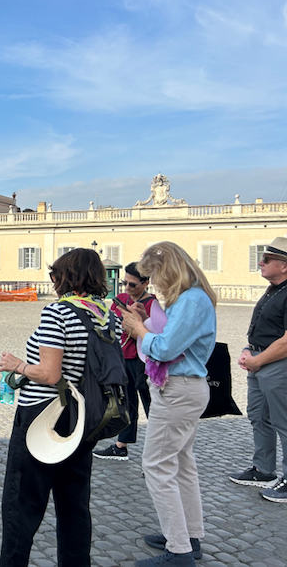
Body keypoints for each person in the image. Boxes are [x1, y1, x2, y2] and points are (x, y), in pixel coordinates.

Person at [0, 248, 121, 567]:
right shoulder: (108, 316)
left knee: (21, 503)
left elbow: (50, 374)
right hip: (85, 417)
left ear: (67, 276)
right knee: (74, 504)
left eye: (55, 275)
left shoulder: (59, 312)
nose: (52, 281)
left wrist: (18, 365)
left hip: (43, 416)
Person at [121, 242, 216, 567]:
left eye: (154, 276)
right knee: (182, 464)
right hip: (184, 388)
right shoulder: (191, 298)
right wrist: (147, 320)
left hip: (178, 389)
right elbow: (170, 337)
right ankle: (188, 535)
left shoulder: (190, 300)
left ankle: (178, 551)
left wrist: (138, 329)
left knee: (158, 465)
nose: (153, 284)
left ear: (168, 271)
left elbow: (163, 348)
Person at [230, 236, 287, 502]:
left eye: (267, 259)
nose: (260, 263)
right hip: (259, 361)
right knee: (258, 416)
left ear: (284, 265)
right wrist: (248, 349)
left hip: (276, 365)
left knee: (283, 422)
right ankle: (264, 469)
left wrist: (258, 359)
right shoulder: (273, 289)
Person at [94, 262, 159, 461]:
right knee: (126, 402)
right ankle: (121, 445)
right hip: (122, 357)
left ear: (146, 282)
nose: (127, 289)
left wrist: (132, 326)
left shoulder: (152, 304)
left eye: (133, 285)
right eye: (125, 283)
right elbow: (110, 324)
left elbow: (152, 335)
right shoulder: (121, 299)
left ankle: (156, 452)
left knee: (150, 404)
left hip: (142, 361)